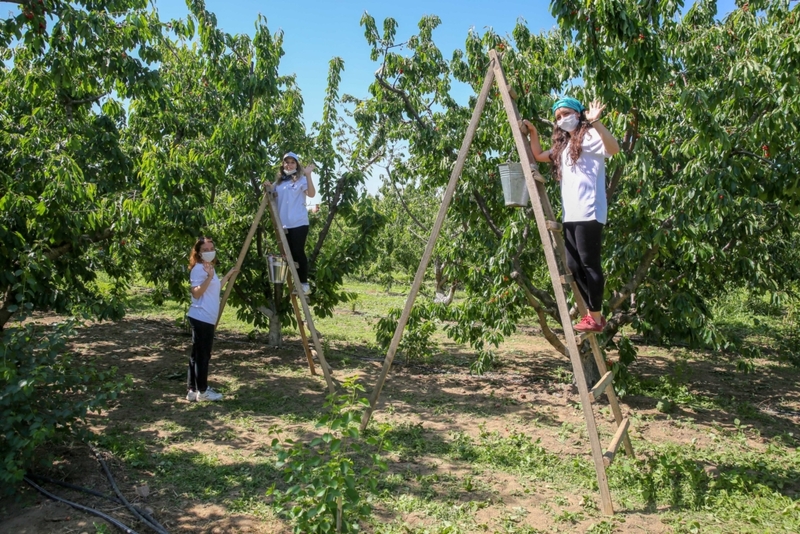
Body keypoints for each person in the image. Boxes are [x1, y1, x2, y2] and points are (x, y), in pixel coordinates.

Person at [522, 97, 620, 333]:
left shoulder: (589, 136)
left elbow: (614, 149)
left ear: (578, 114)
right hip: (571, 213)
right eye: (558, 117)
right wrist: (533, 132)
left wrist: (595, 122)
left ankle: (595, 316)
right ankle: (594, 315)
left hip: (590, 210)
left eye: (565, 113)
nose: (562, 119)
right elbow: (538, 155)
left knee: (589, 263)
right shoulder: (564, 147)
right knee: (574, 266)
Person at [186, 236, 238, 401]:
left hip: (206, 317)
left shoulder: (209, 267)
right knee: (203, 355)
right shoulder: (198, 269)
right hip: (202, 317)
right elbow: (196, 293)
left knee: (196, 354)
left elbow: (215, 289)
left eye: (211, 249)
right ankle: (203, 391)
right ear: (198, 252)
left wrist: (228, 275)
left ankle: (192, 390)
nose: (209, 252)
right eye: (205, 250)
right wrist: (208, 277)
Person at [273, 151, 316, 295]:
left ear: (297, 165)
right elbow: (270, 193)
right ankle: (295, 283)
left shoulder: (301, 180)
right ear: (283, 164)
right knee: (288, 255)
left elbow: (311, 194)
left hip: (298, 223)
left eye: (292, 162)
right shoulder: (279, 182)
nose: (289, 165)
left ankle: (304, 284)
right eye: (287, 162)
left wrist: (308, 175)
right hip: (283, 225)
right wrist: (267, 186)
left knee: (298, 252)